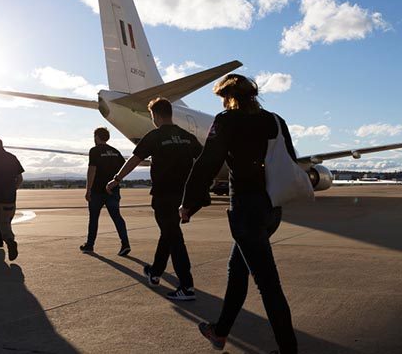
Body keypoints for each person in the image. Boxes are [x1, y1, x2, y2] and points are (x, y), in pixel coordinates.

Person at [181, 74, 298, 354]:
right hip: (272, 209)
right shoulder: (275, 120)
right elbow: (290, 159)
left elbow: (207, 163)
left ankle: (289, 350)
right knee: (237, 271)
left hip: (247, 211)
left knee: (269, 286)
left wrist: (189, 203)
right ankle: (219, 332)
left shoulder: (227, 120)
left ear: (228, 96)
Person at [106, 97, 201, 300]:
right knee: (168, 233)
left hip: (163, 195)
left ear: (155, 115)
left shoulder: (155, 136)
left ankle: (187, 287)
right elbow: (203, 161)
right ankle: (155, 272)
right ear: (170, 113)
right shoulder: (187, 136)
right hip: (182, 196)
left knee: (174, 238)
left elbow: (134, 159)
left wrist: (116, 179)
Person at [80, 127, 130, 255]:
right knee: (117, 217)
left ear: (97, 137)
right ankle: (125, 243)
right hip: (113, 190)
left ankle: (90, 245)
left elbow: (92, 170)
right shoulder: (115, 152)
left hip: (97, 191)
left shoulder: (95, 151)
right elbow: (123, 169)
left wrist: (88, 189)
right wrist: (116, 181)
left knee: (94, 218)